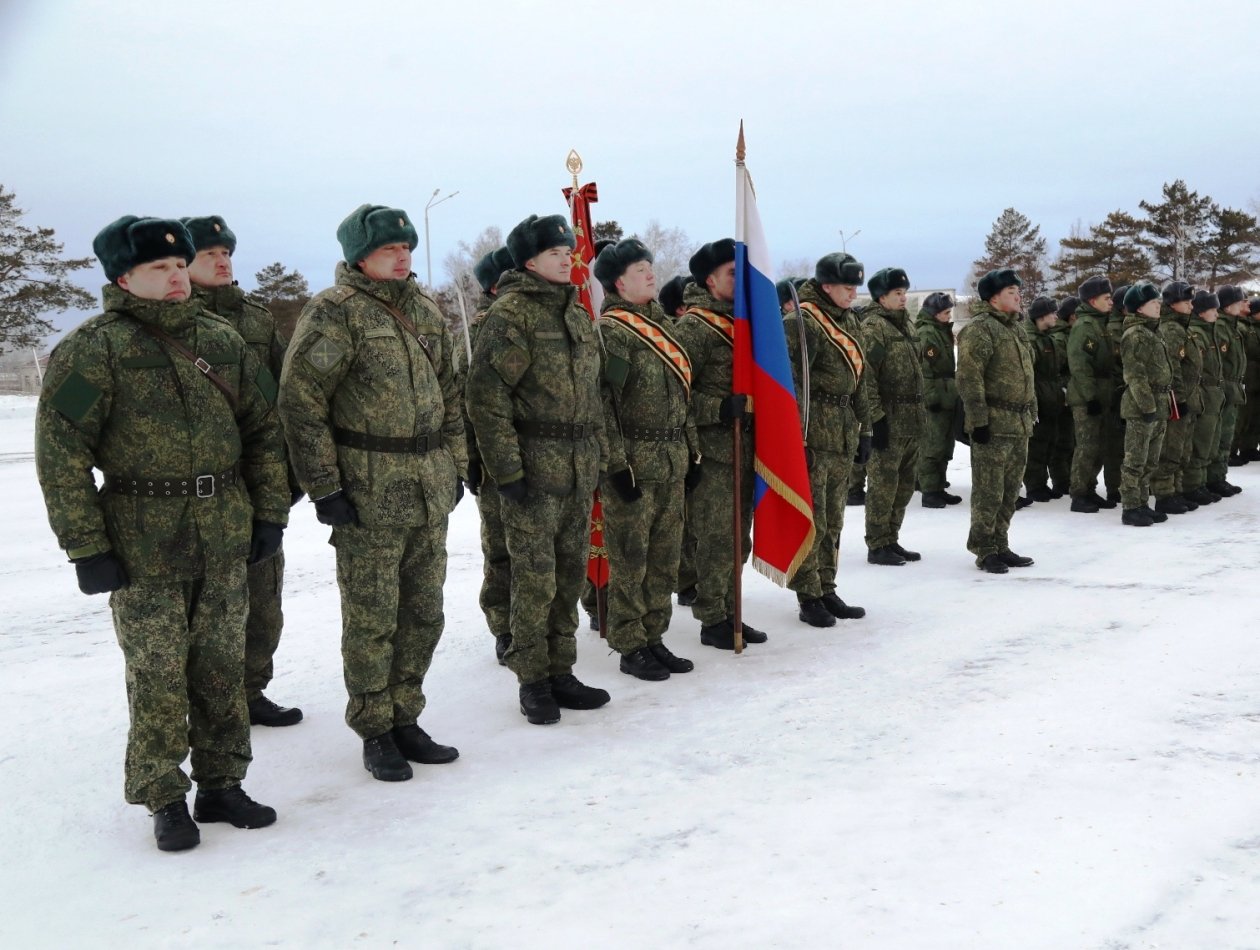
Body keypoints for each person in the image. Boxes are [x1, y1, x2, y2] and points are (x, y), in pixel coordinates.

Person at [36, 215, 288, 851]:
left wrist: (269, 513)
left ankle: (223, 783)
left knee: (222, 667)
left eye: (181, 267)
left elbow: (263, 431)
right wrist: (86, 548)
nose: (178, 278)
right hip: (142, 540)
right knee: (156, 674)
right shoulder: (93, 350)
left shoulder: (223, 340)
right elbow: (61, 453)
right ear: (124, 277)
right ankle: (164, 795)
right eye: (160, 269)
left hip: (225, 530)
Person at [279, 204, 465, 781]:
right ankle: (374, 727)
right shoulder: (337, 315)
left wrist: (456, 464)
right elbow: (302, 401)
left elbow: (453, 394)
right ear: (361, 255)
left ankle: (405, 713)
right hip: (368, 491)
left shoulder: (427, 311)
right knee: (372, 617)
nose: (403, 254)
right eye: (390, 248)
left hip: (428, 488)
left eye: (406, 245)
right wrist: (325, 486)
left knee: (424, 612)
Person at [465, 213, 611, 723]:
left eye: (569, 251)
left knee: (570, 574)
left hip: (577, 467)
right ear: (528, 261)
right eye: (555, 253)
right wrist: (507, 472)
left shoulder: (575, 312)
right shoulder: (512, 316)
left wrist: (603, 460)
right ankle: (532, 678)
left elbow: (594, 396)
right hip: (532, 470)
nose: (568, 258)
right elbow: (486, 400)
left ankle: (561, 668)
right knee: (534, 579)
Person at [182, 214, 303, 728]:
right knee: (198, 608)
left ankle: (251, 690)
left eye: (226, 251)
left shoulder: (254, 319)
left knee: (263, 596)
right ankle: (201, 706)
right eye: (209, 253)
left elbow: (284, 392)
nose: (222, 259)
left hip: (254, 478)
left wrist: (290, 474)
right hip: (188, 488)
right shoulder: (163, 321)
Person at [592, 238, 698, 678]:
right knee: (631, 558)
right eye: (640, 270)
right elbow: (604, 407)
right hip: (634, 460)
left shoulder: (665, 328)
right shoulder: (613, 333)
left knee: (665, 557)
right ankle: (630, 641)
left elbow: (683, 396)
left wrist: (693, 452)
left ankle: (655, 635)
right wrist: (617, 467)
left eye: (650, 267)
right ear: (618, 282)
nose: (651, 274)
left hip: (672, 458)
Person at [671, 239, 770, 649]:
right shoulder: (694, 328)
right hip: (712, 451)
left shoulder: (747, 323)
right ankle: (714, 618)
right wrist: (717, 406)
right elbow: (673, 395)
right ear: (710, 281)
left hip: (747, 448)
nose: (740, 279)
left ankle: (732, 610)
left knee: (739, 537)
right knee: (716, 538)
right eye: (733, 273)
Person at [785, 252, 872, 627]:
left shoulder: (848, 320)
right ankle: (808, 594)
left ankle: (826, 584)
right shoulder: (802, 323)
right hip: (812, 430)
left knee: (834, 517)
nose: (853, 293)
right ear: (826, 286)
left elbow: (861, 380)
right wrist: (795, 434)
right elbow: (789, 383)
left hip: (842, 428)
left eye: (855, 286)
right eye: (847, 286)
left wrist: (866, 427)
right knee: (813, 516)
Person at [956, 268, 1036, 574]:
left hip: (1019, 421)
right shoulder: (980, 328)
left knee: (1009, 490)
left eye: (1018, 291)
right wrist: (978, 420)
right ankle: (984, 548)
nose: (1017, 296)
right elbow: (969, 376)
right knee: (989, 491)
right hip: (994, 421)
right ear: (993, 298)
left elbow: (1027, 375)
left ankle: (1001, 543)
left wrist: (1031, 411)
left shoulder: (1016, 328)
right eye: (1010, 292)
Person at [467, 246, 517, 665]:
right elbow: (466, 401)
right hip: (492, 463)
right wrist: (470, 460)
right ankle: (504, 625)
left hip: (536, 456)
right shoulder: (484, 328)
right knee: (501, 549)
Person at [861, 267, 925, 565]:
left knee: (904, 484)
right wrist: (875, 418)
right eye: (897, 294)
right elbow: (867, 377)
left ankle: (892, 537)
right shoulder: (873, 327)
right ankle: (877, 542)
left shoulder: (908, 326)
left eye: (904, 292)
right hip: (889, 418)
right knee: (883, 485)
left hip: (912, 419)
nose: (903, 298)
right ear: (881, 297)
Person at [1118, 283, 1174, 525]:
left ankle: (1142, 502)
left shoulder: (1153, 332)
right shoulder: (1136, 335)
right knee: (1136, 459)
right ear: (1140, 308)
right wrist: (1148, 406)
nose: (1158, 306)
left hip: (1159, 403)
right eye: (1154, 303)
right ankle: (1131, 507)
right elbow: (1135, 375)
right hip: (1143, 406)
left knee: (1151, 459)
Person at [1066, 275, 1119, 513]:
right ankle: (1079, 493)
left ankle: (1089, 488)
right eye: (1107, 298)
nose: (1111, 302)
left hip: (1101, 394)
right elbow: (1080, 365)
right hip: (1088, 398)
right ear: (1092, 300)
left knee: (1098, 447)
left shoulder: (1100, 324)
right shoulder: (1085, 326)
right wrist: (1090, 397)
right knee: (1087, 447)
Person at [1151, 281, 1199, 514]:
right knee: (1170, 449)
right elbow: (1173, 368)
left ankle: (1176, 490)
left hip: (1187, 397)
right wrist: (1178, 398)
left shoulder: (1182, 327)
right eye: (1186, 301)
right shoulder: (1171, 329)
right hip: (1176, 399)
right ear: (1172, 303)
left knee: (1181, 449)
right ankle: (1164, 493)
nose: (1191, 305)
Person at [914, 292, 961, 508]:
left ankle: (939, 487)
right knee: (932, 446)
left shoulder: (941, 332)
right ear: (934, 314)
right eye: (945, 312)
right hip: (936, 397)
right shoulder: (927, 333)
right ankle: (929, 490)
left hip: (946, 394)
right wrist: (930, 396)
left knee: (944, 445)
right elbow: (925, 370)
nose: (948, 316)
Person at [1184, 291, 1226, 505]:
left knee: (1211, 440)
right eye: (1213, 310)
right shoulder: (1196, 334)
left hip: (1213, 394)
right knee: (1200, 441)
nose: (1217, 315)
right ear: (1201, 312)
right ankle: (1193, 485)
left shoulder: (1209, 332)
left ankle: (1203, 482)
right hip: (1203, 393)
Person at [1023, 296, 1065, 503]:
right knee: (1036, 445)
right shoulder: (1031, 341)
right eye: (1052, 313)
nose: (1056, 316)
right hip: (1039, 397)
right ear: (1041, 317)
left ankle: (1042, 483)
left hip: (1050, 398)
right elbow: (1027, 374)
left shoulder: (1046, 338)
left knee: (1049, 442)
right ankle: (1034, 485)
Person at [1209, 285, 1247, 496]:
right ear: (1229, 305)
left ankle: (1219, 476)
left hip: (1233, 386)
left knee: (1226, 436)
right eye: (1239, 301)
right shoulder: (1222, 327)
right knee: (1219, 435)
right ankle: (1213, 478)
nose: (1243, 305)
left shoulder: (1233, 326)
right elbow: (1218, 361)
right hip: (1224, 386)